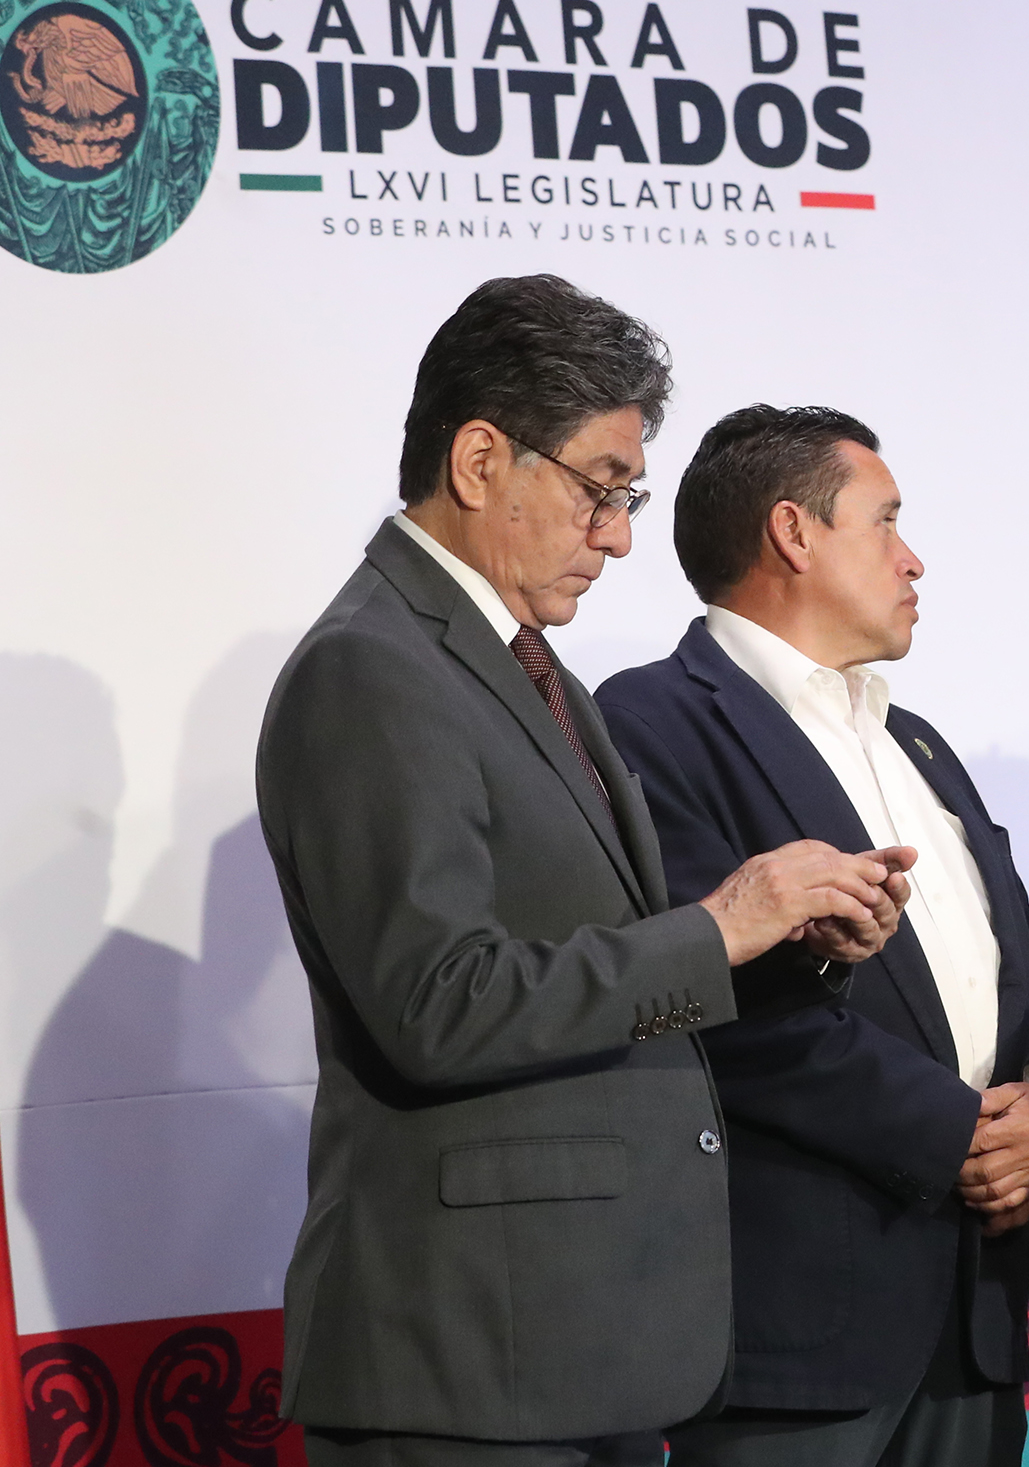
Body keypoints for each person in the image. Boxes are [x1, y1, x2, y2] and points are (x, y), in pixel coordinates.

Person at [256, 276, 911, 1467]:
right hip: (466, 1359)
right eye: (601, 489)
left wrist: (784, 947)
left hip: (588, 1346)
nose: (618, 536)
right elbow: (439, 1005)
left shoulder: (526, 667)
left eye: (628, 496)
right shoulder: (372, 670)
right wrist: (720, 924)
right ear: (478, 461)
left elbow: (596, 967)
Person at [597, 405, 1029, 1467]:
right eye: (887, 522)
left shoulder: (914, 737)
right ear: (793, 532)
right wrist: (959, 1132)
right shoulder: (652, 721)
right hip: (800, 1332)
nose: (913, 559)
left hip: (974, 1314)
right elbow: (711, 1003)